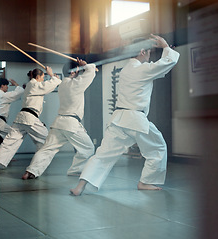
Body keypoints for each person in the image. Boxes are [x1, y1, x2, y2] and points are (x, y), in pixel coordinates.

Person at [70, 34, 180, 196]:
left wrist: (167, 51)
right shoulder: (142, 70)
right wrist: (165, 47)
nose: (149, 55)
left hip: (119, 120)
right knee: (158, 147)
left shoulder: (127, 69)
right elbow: (166, 64)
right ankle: (145, 182)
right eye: (148, 52)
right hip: (135, 119)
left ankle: (79, 187)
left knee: (103, 155)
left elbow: (159, 69)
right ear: (142, 52)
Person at [21, 58, 96, 180]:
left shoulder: (62, 84)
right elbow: (90, 74)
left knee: (47, 149)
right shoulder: (76, 84)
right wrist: (86, 66)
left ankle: (31, 171)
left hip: (59, 123)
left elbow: (84, 75)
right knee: (88, 148)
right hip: (71, 124)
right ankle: (75, 170)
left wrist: (81, 68)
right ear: (73, 71)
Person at [0, 66, 61, 168]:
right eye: (43, 77)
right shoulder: (34, 85)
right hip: (30, 118)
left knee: (11, 140)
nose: (43, 79)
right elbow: (46, 87)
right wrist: (52, 76)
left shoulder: (31, 85)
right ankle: (37, 164)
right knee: (46, 139)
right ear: (38, 77)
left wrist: (54, 78)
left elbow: (47, 88)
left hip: (22, 117)